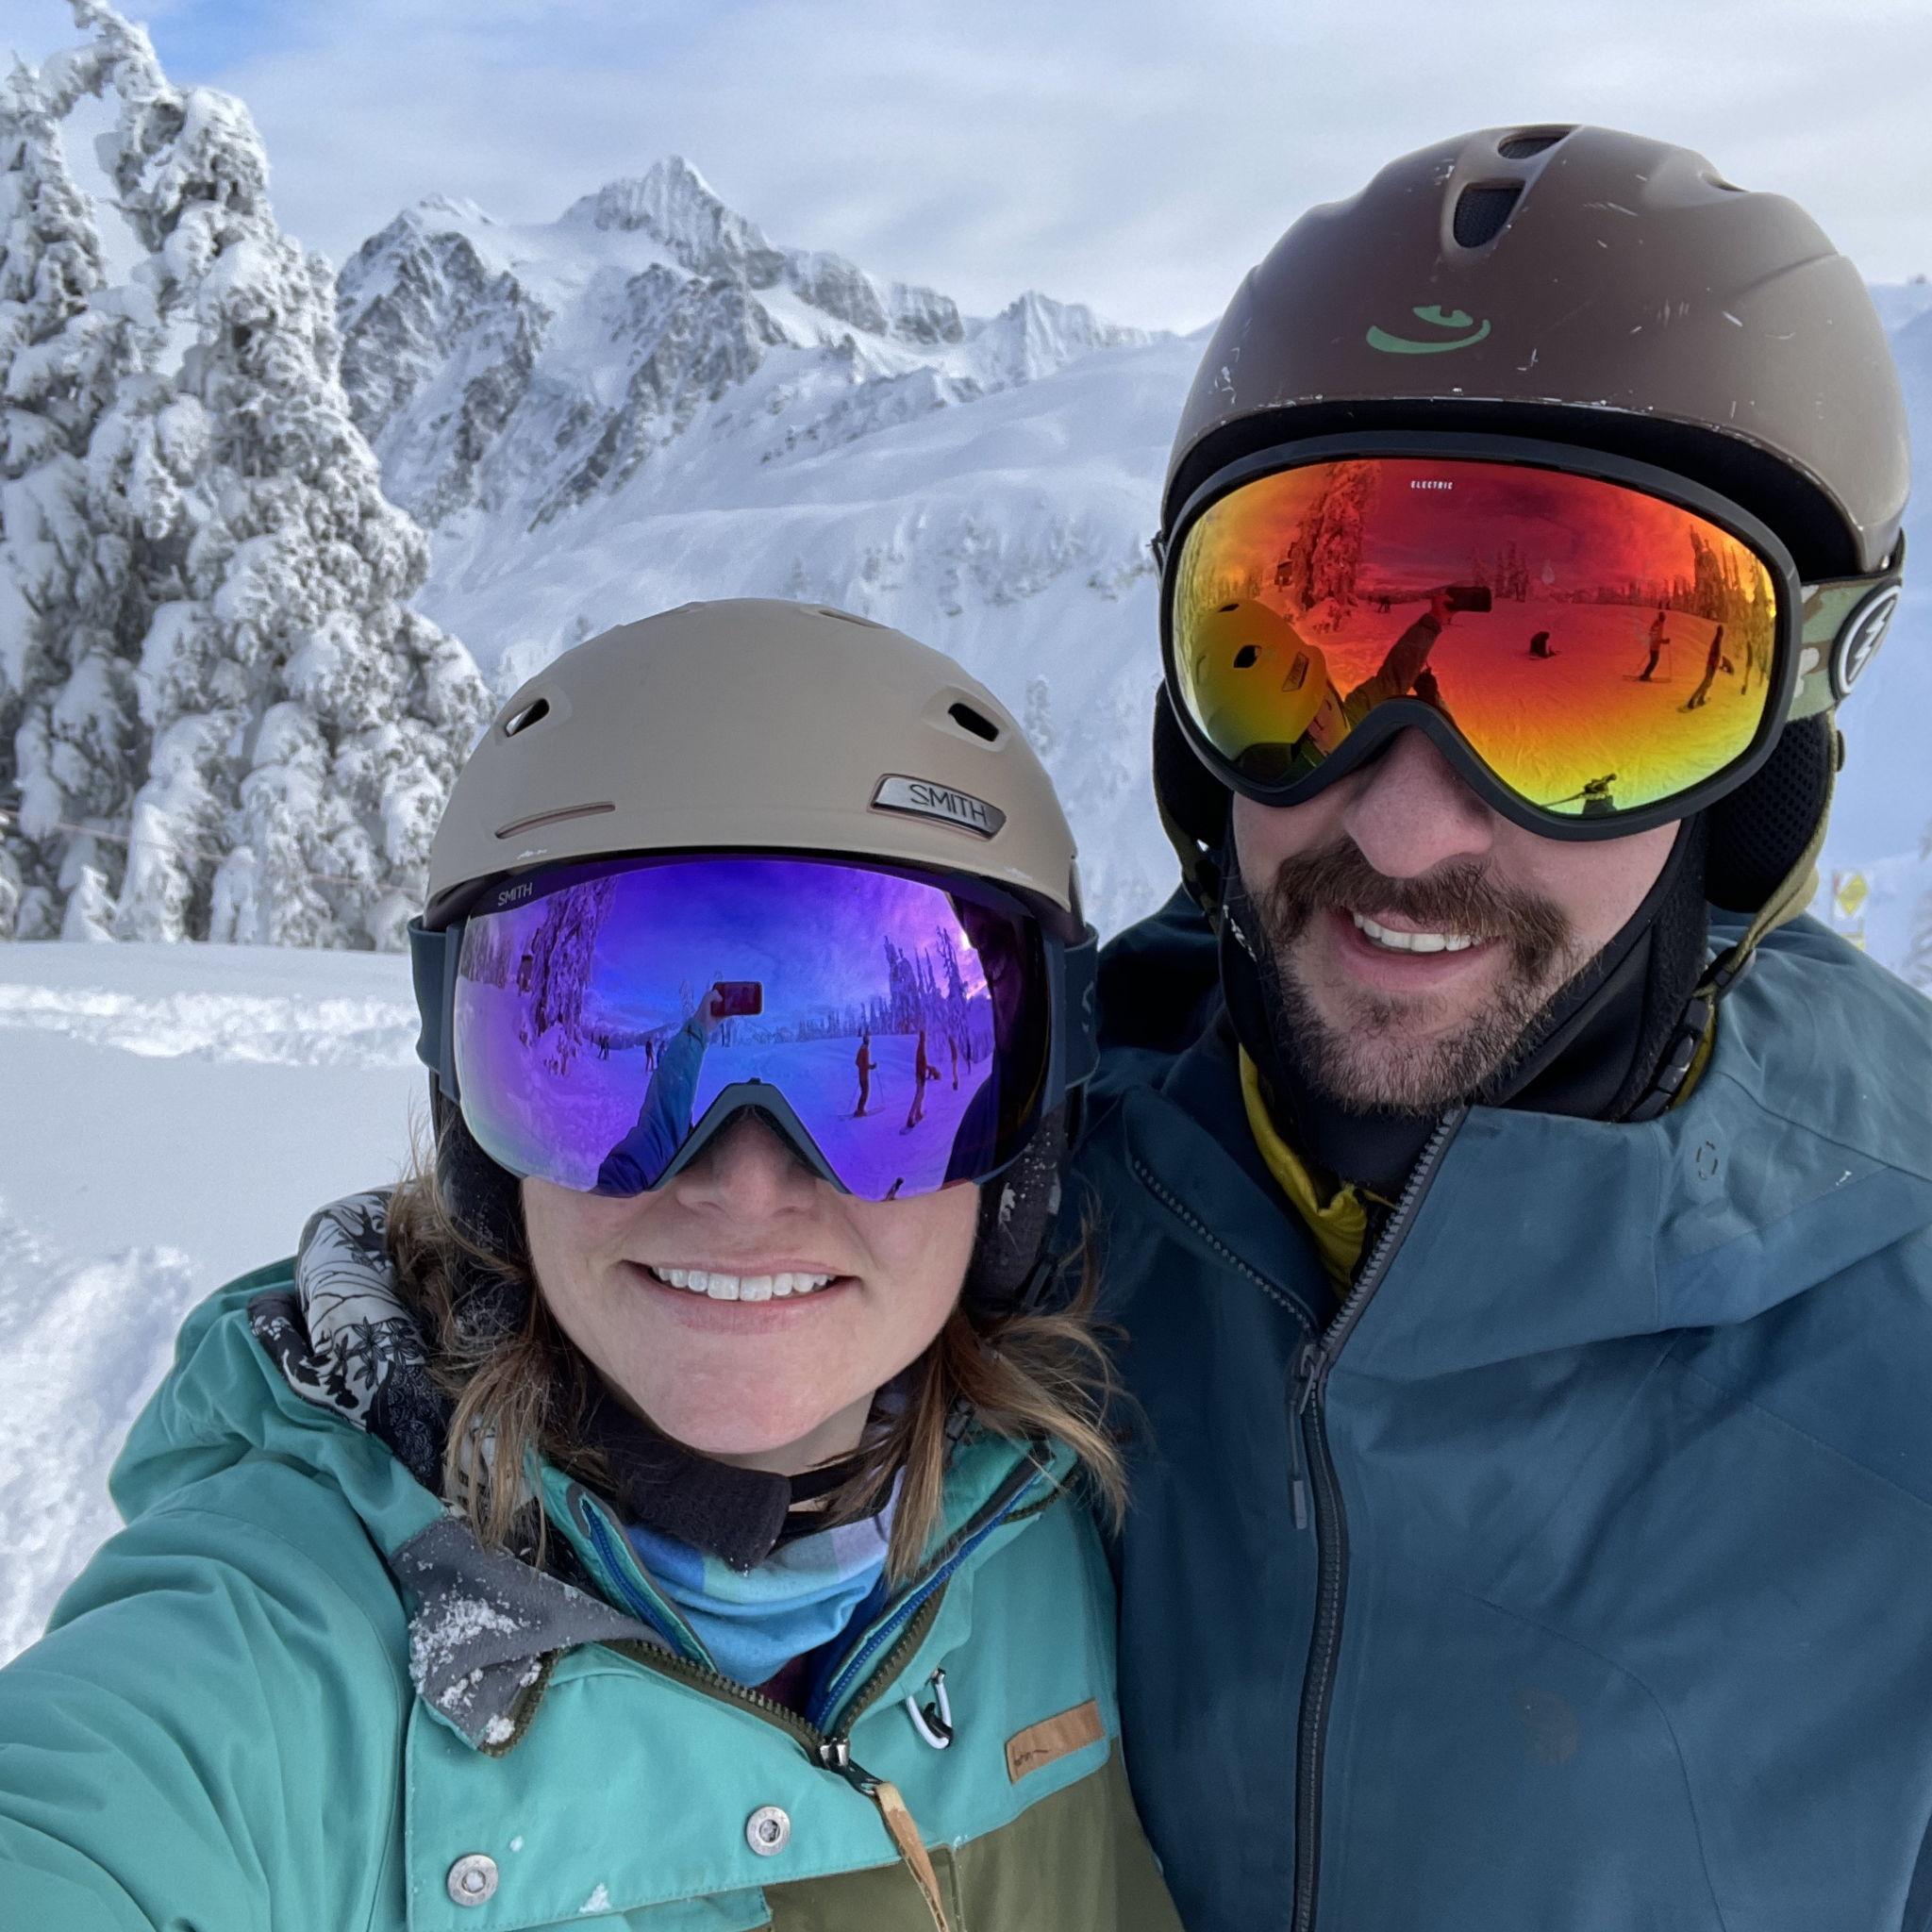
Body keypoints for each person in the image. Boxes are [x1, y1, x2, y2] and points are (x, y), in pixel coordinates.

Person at [0, 601, 1180, 1932]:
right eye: (595, 1068)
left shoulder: (1050, 1536)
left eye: (892, 1080)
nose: (743, 1188)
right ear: (475, 1137)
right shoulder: (285, 1658)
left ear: (1023, 1150)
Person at [1072, 126, 1927, 1930]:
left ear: (1762, 767)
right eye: (1303, 644)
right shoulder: (987, 1184)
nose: (1399, 826)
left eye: (1582, 675)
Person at [1681, 621, 1727, 709]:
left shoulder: (1717, 641)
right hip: (1712, 666)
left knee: (1708, 683)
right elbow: (1715, 655)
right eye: (1721, 632)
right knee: (1706, 683)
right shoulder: (1717, 642)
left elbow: (1716, 655)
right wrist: (1714, 666)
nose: (1722, 634)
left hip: (1712, 666)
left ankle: (1701, 698)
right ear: (1720, 633)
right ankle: (1693, 700)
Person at [1640, 605, 1668, 679]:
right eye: (1663, 617)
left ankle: (1646, 675)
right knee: (1654, 662)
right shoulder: (1657, 624)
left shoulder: (1660, 624)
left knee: (1654, 661)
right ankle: (1646, 675)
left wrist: (1663, 641)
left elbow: (1657, 636)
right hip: (1654, 647)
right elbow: (1653, 635)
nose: (1664, 619)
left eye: (1664, 617)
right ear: (1661, 617)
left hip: (1655, 647)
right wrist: (1664, 641)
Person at [853, 1025, 874, 1116]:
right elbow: (860, 1063)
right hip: (863, 1076)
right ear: (866, 1040)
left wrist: (869, 1066)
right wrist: (870, 1067)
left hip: (863, 1075)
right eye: (868, 1039)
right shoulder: (864, 1050)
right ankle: (860, 1111)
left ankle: (860, 1109)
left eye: (869, 1039)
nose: (869, 1041)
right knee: (865, 1093)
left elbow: (860, 1062)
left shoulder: (863, 1049)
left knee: (864, 1092)